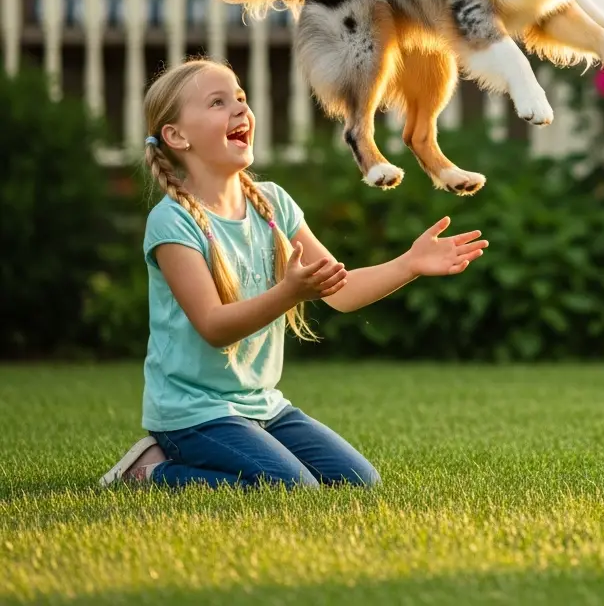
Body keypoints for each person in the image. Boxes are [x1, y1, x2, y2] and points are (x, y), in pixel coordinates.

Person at [98, 57, 487, 491]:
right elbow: (213, 326)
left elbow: (341, 292)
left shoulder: (272, 204)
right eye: (217, 102)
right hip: (193, 413)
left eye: (240, 98)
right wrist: (288, 293)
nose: (240, 108)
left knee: (360, 482)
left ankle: (213, 453)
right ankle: (150, 470)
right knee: (294, 487)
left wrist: (409, 263)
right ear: (176, 136)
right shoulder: (173, 221)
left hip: (263, 406)